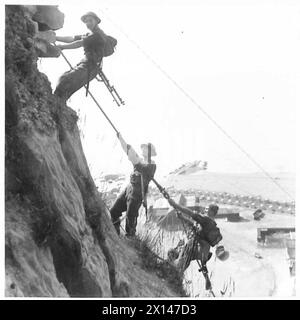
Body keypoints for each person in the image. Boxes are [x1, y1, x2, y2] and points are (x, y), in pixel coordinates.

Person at [54, 12, 109, 102]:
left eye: (90, 20)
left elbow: (78, 44)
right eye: (86, 21)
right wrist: (55, 37)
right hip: (87, 65)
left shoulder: (97, 35)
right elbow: (72, 38)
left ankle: (57, 104)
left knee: (64, 81)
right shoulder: (89, 34)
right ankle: (58, 104)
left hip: (90, 67)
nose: (88, 23)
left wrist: (62, 47)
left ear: (96, 21)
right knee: (65, 84)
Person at [110, 133, 157, 237]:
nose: (143, 149)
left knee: (130, 220)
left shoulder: (152, 165)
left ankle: (130, 241)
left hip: (137, 193)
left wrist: (129, 149)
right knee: (113, 212)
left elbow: (139, 164)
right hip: (129, 189)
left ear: (150, 152)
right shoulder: (139, 160)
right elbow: (130, 154)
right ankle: (116, 235)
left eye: (146, 148)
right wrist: (121, 140)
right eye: (143, 147)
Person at [166, 198, 228, 273]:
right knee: (180, 267)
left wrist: (175, 205)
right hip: (199, 253)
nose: (205, 210)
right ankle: (175, 275)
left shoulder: (206, 220)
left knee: (172, 255)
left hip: (193, 248)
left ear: (211, 212)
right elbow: (194, 226)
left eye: (207, 209)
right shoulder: (212, 224)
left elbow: (190, 213)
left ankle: (169, 271)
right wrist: (182, 218)